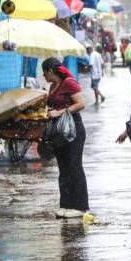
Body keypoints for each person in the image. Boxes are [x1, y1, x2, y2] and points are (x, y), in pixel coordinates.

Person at [42, 58, 89, 218]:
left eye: (44, 72)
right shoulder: (52, 86)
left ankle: (80, 206)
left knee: (74, 166)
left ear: (50, 71)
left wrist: (59, 112)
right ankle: (66, 204)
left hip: (73, 129)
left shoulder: (69, 83)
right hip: (59, 131)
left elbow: (80, 104)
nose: (43, 75)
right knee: (63, 168)